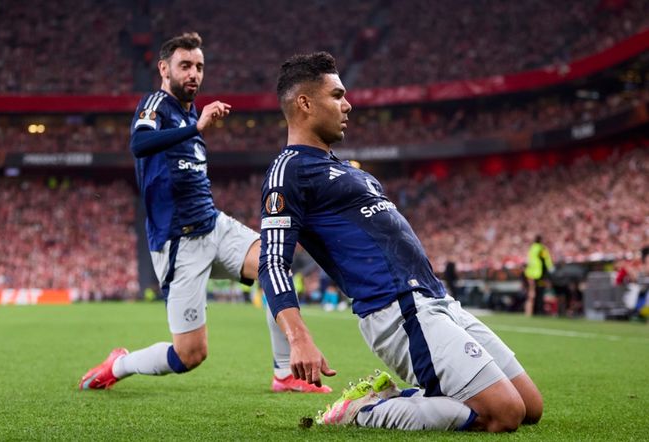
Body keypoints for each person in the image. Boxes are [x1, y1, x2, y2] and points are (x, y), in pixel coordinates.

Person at [258, 52, 543, 432]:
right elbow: (272, 262)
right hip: (397, 308)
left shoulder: (345, 168)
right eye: (337, 95)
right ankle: (364, 410)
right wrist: (299, 338)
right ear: (305, 103)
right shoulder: (288, 171)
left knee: (530, 407)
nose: (348, 104)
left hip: (437, 299)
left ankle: (413, 396)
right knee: (504, 414)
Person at [78, 33, 330, 393]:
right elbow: (139, 143)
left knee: (275, 264)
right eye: (185, 66)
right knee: (189, 355)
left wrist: (193, 124)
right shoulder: (157, 104)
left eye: (199, 66)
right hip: (179, 241)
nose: (193, 73)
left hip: (214, 225)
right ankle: (119, 364)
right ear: (164, 69)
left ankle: (284, 373)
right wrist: (194, 128)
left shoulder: (190, 113)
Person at [524, 235, 554, 316]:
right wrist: (551, 268)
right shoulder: (542, 248)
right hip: (540, 274)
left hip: (530, 273)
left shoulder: (532, 248)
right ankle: (539, 310)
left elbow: (529, 260)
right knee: (540, 292)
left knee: (531, 292)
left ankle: (531, 311)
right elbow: (546, 259)